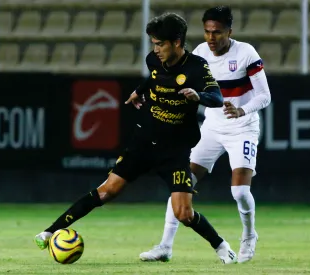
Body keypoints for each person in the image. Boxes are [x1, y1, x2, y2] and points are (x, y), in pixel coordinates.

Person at [34, 12, 238, 264]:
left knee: (183, 213)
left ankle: (221, 246)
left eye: (160, 44)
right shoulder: (154, 59)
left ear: (177, 42)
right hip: (144, 141)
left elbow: (217, 98)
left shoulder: (197, 67)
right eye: (154, 44)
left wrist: (199, 96)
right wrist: (138, 91)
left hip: (175, 150)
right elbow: (154, 78)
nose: (156, 49)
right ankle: (50, 231)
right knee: (108, 190)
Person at [139, 6, 271, 263]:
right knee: (182, 183)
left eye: (217, 32)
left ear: (229, 31)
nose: (211, 38)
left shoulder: (246, 53)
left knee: (240, 193)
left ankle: (249, 235)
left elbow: (265, 95)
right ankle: (165, 246)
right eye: (207, 32)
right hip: (211, 127)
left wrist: (242, 110)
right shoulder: (199, 53)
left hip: (242, 127)